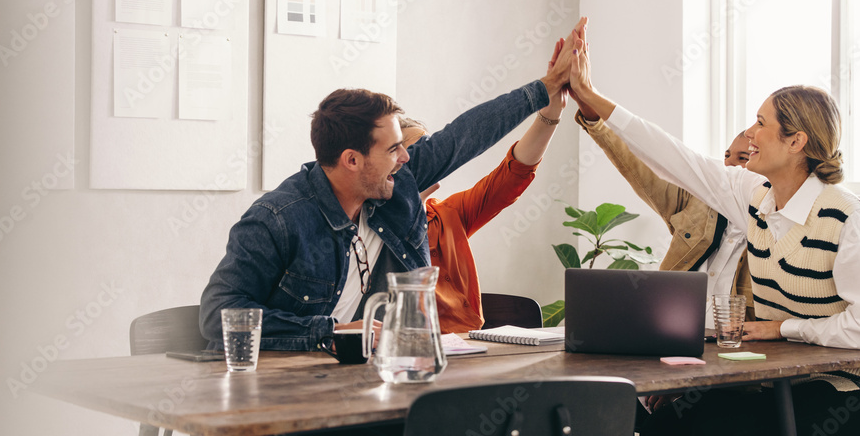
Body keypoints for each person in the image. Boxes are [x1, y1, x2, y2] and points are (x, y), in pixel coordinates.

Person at [566, 27, 860, 435]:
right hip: (792, 381)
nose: (749, 134)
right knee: (668, 426)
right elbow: (676, 159)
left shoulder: (845, 219)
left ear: (795, 142)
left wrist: (785, 328)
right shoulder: (755, 197)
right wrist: (594, 100)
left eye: (760, 123)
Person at [199, 18, 583, 352]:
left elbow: (466, 135)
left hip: (382, 374)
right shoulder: (277, 219)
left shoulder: (397, 184)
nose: (406, 157)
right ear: (352, 160)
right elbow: (219, 314)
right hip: (291, 383)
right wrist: (326, 331)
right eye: (394, 149)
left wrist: (547, 87)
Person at [400, 39, 569, 334]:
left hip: (474, 348)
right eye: (418, 151)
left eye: (430, 147)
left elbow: (513, 175)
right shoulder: (371, 228)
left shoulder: (451, 213)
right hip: (417, 354)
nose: (430, 157)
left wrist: (552, 112)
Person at [574, 111, 755, 328]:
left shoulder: (774, 225)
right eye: (727, 156)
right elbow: (641, 170)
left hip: (741, 350)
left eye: (743, 158)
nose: (728, 165)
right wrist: (596, 124)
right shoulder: (696, 202)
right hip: (671, 335)